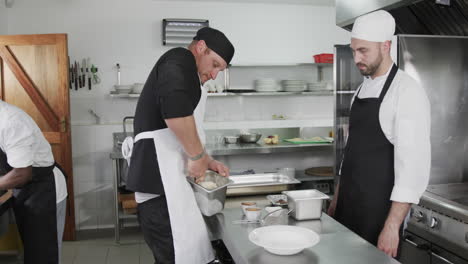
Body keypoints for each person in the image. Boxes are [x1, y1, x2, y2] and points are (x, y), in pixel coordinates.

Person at [123, 27, 234, 264]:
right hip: (158, 183)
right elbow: (175, 111)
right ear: (200, 47)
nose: (215, 75)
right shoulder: (179, 58)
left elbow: (185, 130)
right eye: (214, 64)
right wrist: (197, 156)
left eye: (220, 70)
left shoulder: (192, 79)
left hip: (170, 185)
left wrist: (206, 159)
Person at [327, 10, 431, 258]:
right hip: (348, 208)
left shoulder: (406, 92)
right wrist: (336, 200)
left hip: (378, 216)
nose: (356, 58)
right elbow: (350, 155)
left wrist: (392, 226)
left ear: (385, 46)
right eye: (353, 51)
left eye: (363, 51)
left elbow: (412, 167)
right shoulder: (360, 90)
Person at [0, 99, 68, 264]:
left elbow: (21, 173)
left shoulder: (10, 121)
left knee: (43, 256)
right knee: (32, 252)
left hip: (44, 191)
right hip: (24, 189)